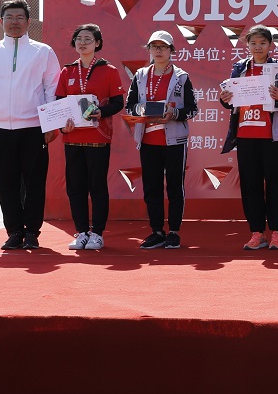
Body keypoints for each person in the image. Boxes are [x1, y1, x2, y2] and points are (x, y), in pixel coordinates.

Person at [0, 0, 61, 251]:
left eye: (20, 17)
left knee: (34, 182)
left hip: (34, 128)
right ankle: (14, 232)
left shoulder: (43, 51)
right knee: (6, 182)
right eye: (9, 17)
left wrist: (50, 124)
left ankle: (32, 232)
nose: (14, 22)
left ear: (28, 21)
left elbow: (52, 89)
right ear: (1, 21)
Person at [218, 26, 278, 251]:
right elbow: (230, 101)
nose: (258, 47)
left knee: (274, 184)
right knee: (250, 184)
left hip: (272, 136)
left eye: (263, 42)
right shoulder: (239, 68)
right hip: (245, 134)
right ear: (247, 45)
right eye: (253, 43)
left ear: (271, 45)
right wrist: (225, 97)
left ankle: (277, 233)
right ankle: (257, 232)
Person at [125, 30, 198, 249]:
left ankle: (174, 231)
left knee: (175, 187)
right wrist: (144, 111)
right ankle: (156, 231)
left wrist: (173, 114)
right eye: (154, 46)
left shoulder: (181, 77)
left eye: (163, 47)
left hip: (174, 141)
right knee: (151, 188)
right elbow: (129, 106)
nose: (158, 50)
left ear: (171, 50)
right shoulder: (140, 76)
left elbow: (193, 109)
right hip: (148, 140)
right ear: (149, 49)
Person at [56, 23, 124, 251]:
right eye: (79, 39)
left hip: (98, 137)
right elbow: (59, 103)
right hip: (72, 137)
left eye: (88, 39)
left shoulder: (109, 70)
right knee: (75, 187)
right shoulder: (67, 71)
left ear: (97, 43)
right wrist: (62, 126)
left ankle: (98, 233)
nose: (82, 43)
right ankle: (82, 232)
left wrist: (101, 112)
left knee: (97, 187)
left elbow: (118, 103)